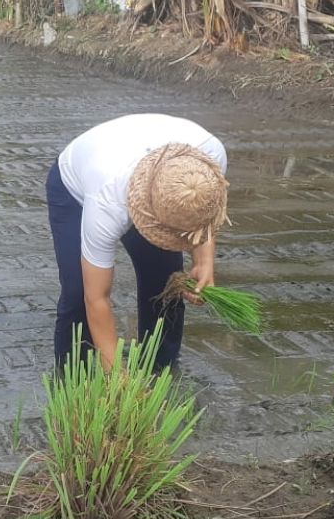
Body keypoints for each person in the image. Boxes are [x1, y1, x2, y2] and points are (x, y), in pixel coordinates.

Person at [47, 114, 230, 371]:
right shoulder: (107, 203)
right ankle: (73, 379)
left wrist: (204, 261)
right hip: (74, 185)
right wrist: (117, 376)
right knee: (78, 293)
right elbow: (96, 298)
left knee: (165, 284)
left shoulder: (210, 157)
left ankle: (161, 369)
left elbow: (204, 210)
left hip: (139, 169)